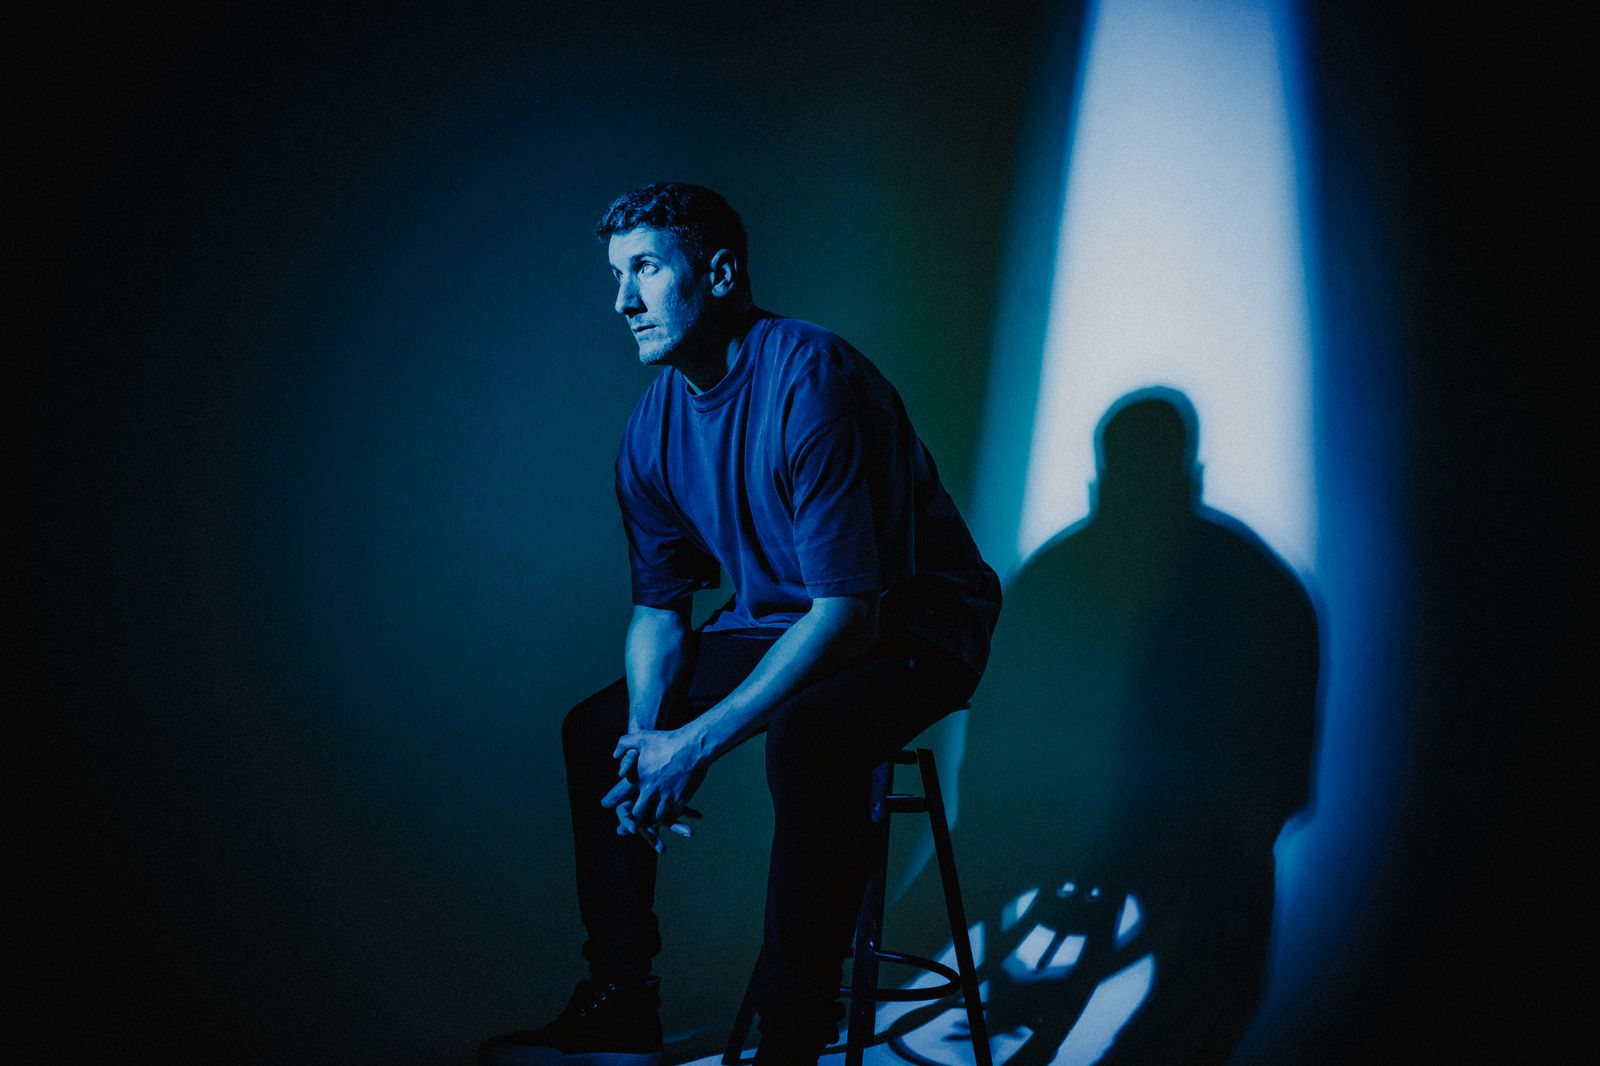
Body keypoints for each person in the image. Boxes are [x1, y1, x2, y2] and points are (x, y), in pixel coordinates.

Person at [480, 182, 1000, 1066]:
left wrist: (693, 746)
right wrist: (647, 742)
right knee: (597, 732)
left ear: (719, 274)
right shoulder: (652, 428)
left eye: (646, 269)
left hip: (913, 627)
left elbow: (849, 619)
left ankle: (792, 1035)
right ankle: (621, 997)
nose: (623, 300)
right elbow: (659, 610)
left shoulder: (816, 381)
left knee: (810, 733)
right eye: (615, 276)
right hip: (785, 620)